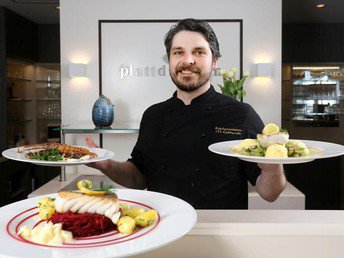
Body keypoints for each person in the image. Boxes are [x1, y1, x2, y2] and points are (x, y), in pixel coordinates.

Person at [86, 18, 286, 209]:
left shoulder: (241, 114)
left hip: (220, 232)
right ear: (170, 60)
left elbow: (270, 193)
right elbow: (138, 178)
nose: (187, 60)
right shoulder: (153, 115)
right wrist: (108, 166)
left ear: (215, 61)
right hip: (162, 226)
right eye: (178, 52)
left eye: (199, 52)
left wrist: (273, 166)